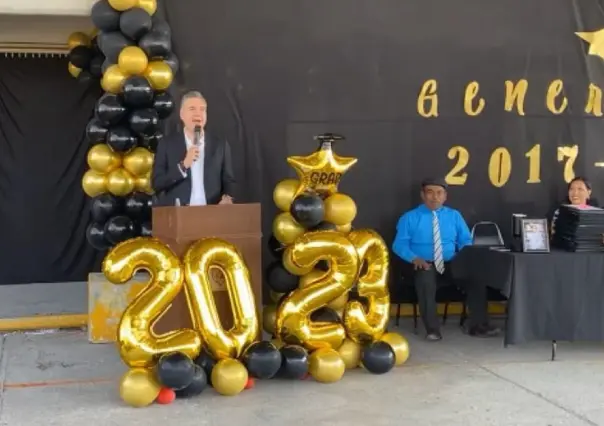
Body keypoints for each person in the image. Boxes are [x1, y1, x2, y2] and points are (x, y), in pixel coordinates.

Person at [392, 178, 500, 341]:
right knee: (425, 279)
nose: (434, 197)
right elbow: (399, 245)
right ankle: (432, 329)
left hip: (451, 262)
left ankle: (479, 326)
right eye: (430, 192)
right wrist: (414, 258)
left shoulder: (454, 216)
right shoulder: (410, 217)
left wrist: (463, 256)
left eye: (439, 193)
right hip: (423, 263)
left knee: (476, 280)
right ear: (422, 195)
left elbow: (465, 241)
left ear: (445, 197)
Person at [152, 90, 236, 206]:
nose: (198, 114)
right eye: (192, 109)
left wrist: (228, 197)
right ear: (182, 114)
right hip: (179, 215)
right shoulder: (167, 144)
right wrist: (183, 166)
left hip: (211, 215)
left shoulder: (219, 145)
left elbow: (228, 180)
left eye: (202, 109)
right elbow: (157, 183)